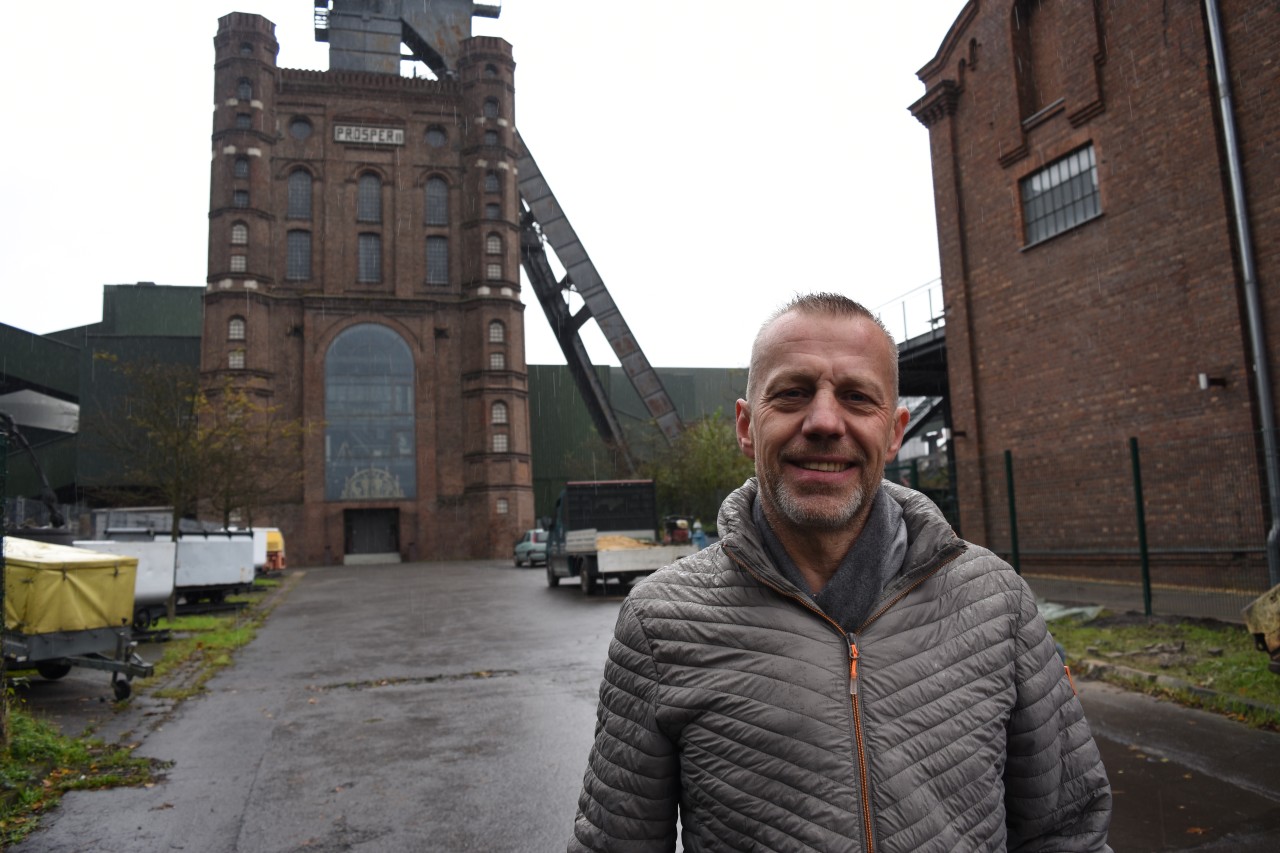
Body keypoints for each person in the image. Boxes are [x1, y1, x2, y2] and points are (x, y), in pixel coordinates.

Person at [568, 293, 1112, 852]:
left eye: (856, 397)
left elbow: (1068, 834)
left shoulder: (996, 603)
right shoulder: (660, 624)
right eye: (793, 393)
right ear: (746, 425)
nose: (825, 422)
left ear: (895, 430)